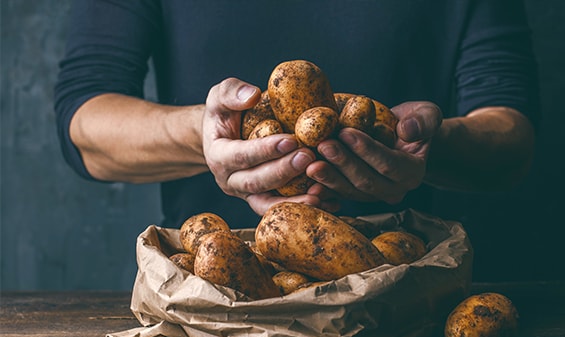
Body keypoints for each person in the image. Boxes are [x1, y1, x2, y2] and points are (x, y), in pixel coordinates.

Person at [55, 0, 538, 230]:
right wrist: (208, 136)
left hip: (408, 304)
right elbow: (86, 122)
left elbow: (512, 137)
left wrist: (418, 148)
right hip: (215, 313)